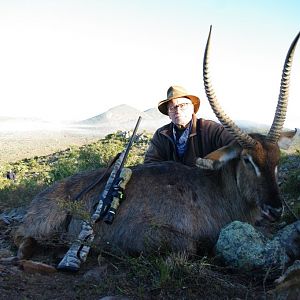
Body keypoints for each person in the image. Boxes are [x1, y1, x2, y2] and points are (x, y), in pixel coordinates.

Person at [144, 85, 235, 166]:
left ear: (192, 108)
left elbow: (236, 146)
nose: (178, 110)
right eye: (172, 108)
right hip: (170, 183)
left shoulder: (211, 129)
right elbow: (150, 164)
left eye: (182, 105)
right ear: (168, 114)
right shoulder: (161, 134)